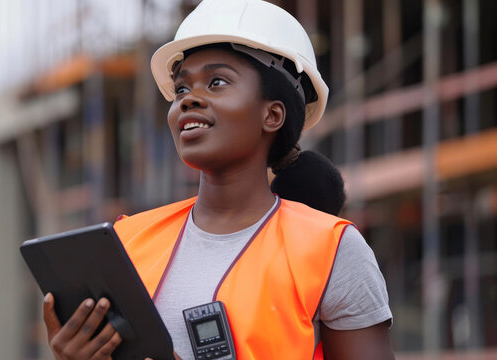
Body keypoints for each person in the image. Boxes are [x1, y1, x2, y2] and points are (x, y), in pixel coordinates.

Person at [41, 0, 394, 359]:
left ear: (271, 114)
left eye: (216, 82)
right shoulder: (127, 242)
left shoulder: (332, 250)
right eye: (181, 89)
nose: (189, 100)